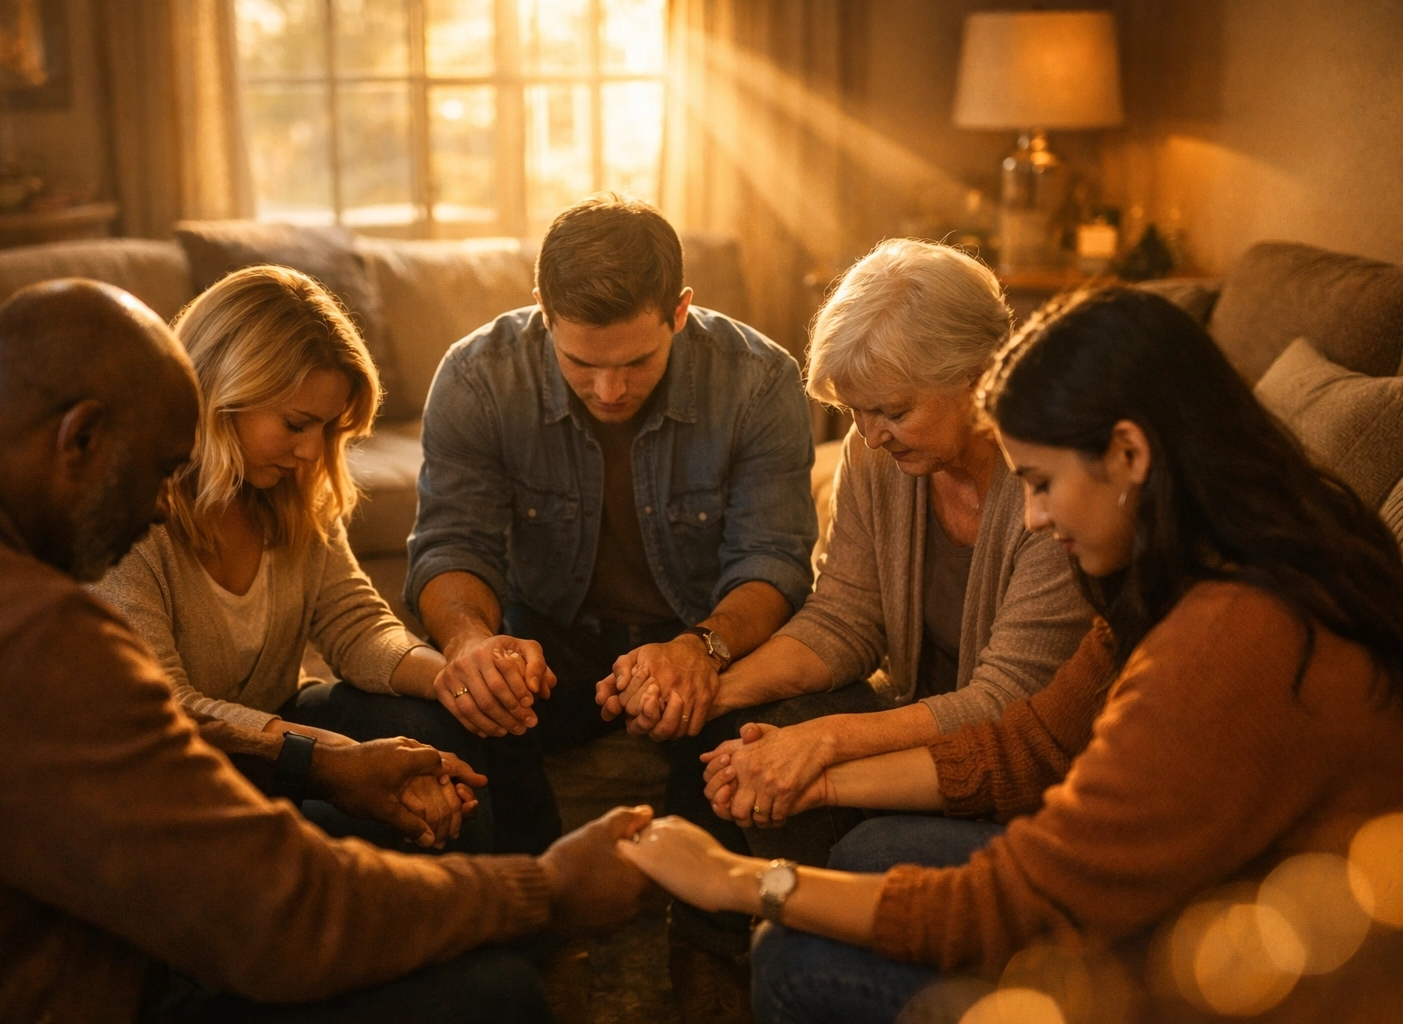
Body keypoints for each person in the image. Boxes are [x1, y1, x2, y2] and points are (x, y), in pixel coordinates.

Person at [0, 278, 652, 1023]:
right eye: (158, 472)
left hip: (100, 904)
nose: (157, 508)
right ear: (83, 438)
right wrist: (540, 889)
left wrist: (407, 707)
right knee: (491, 997)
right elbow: (281, 911)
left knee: (438, 767)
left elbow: (321, 646)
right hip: (79, 986)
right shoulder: (36, 637)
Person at [617, 286, 1403, 1023]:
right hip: (1197, 896)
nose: (1031, 518)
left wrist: (740, 881)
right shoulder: (1182, 574)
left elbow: (1013, 901)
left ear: (1129, 455)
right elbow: (1028, 746)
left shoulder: (1231, 634)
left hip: (1241, 967)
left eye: (1041, 482)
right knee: (872, 846)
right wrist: (817, 779)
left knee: (793, 956)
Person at [647, 239, 1091, 1009]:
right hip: (922, 716)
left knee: (840, 807)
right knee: (739, 728)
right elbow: (846, 615)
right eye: (855, 412)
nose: (870, 434)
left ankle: (809, 942)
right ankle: (729, 952)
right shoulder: (874, 453)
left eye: (893, 410)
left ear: (979, 374)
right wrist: (705, 690)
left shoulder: (1055, 490)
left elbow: (1005, 707)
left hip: (1018, 766)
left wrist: (823, 745)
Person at [404, 192, 817, 858]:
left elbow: (773, 560)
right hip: (548, 634)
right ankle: (532, 894)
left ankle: (703, 908)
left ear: (680, 311)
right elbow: (452, 543)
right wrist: (471, 642)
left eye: (636, 362)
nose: (610, 391)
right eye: (581, 364)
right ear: (544, 312)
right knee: (462, 707)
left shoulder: (759, 380)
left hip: (699, 629)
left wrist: (702, 649)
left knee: (750, 730)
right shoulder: (477, 376)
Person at [92, 265, 489, 852]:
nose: (311, 452)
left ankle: (526, 887)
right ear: (221, 392)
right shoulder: (129, 514)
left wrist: (459, 678)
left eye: (326, 428)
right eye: (296, 424)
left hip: (285, 725)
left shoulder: (290, 492)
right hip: (181, 770)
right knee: (387, 806)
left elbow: (356, 625)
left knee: (436, 733)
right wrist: (340, 761)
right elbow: (171, 710)